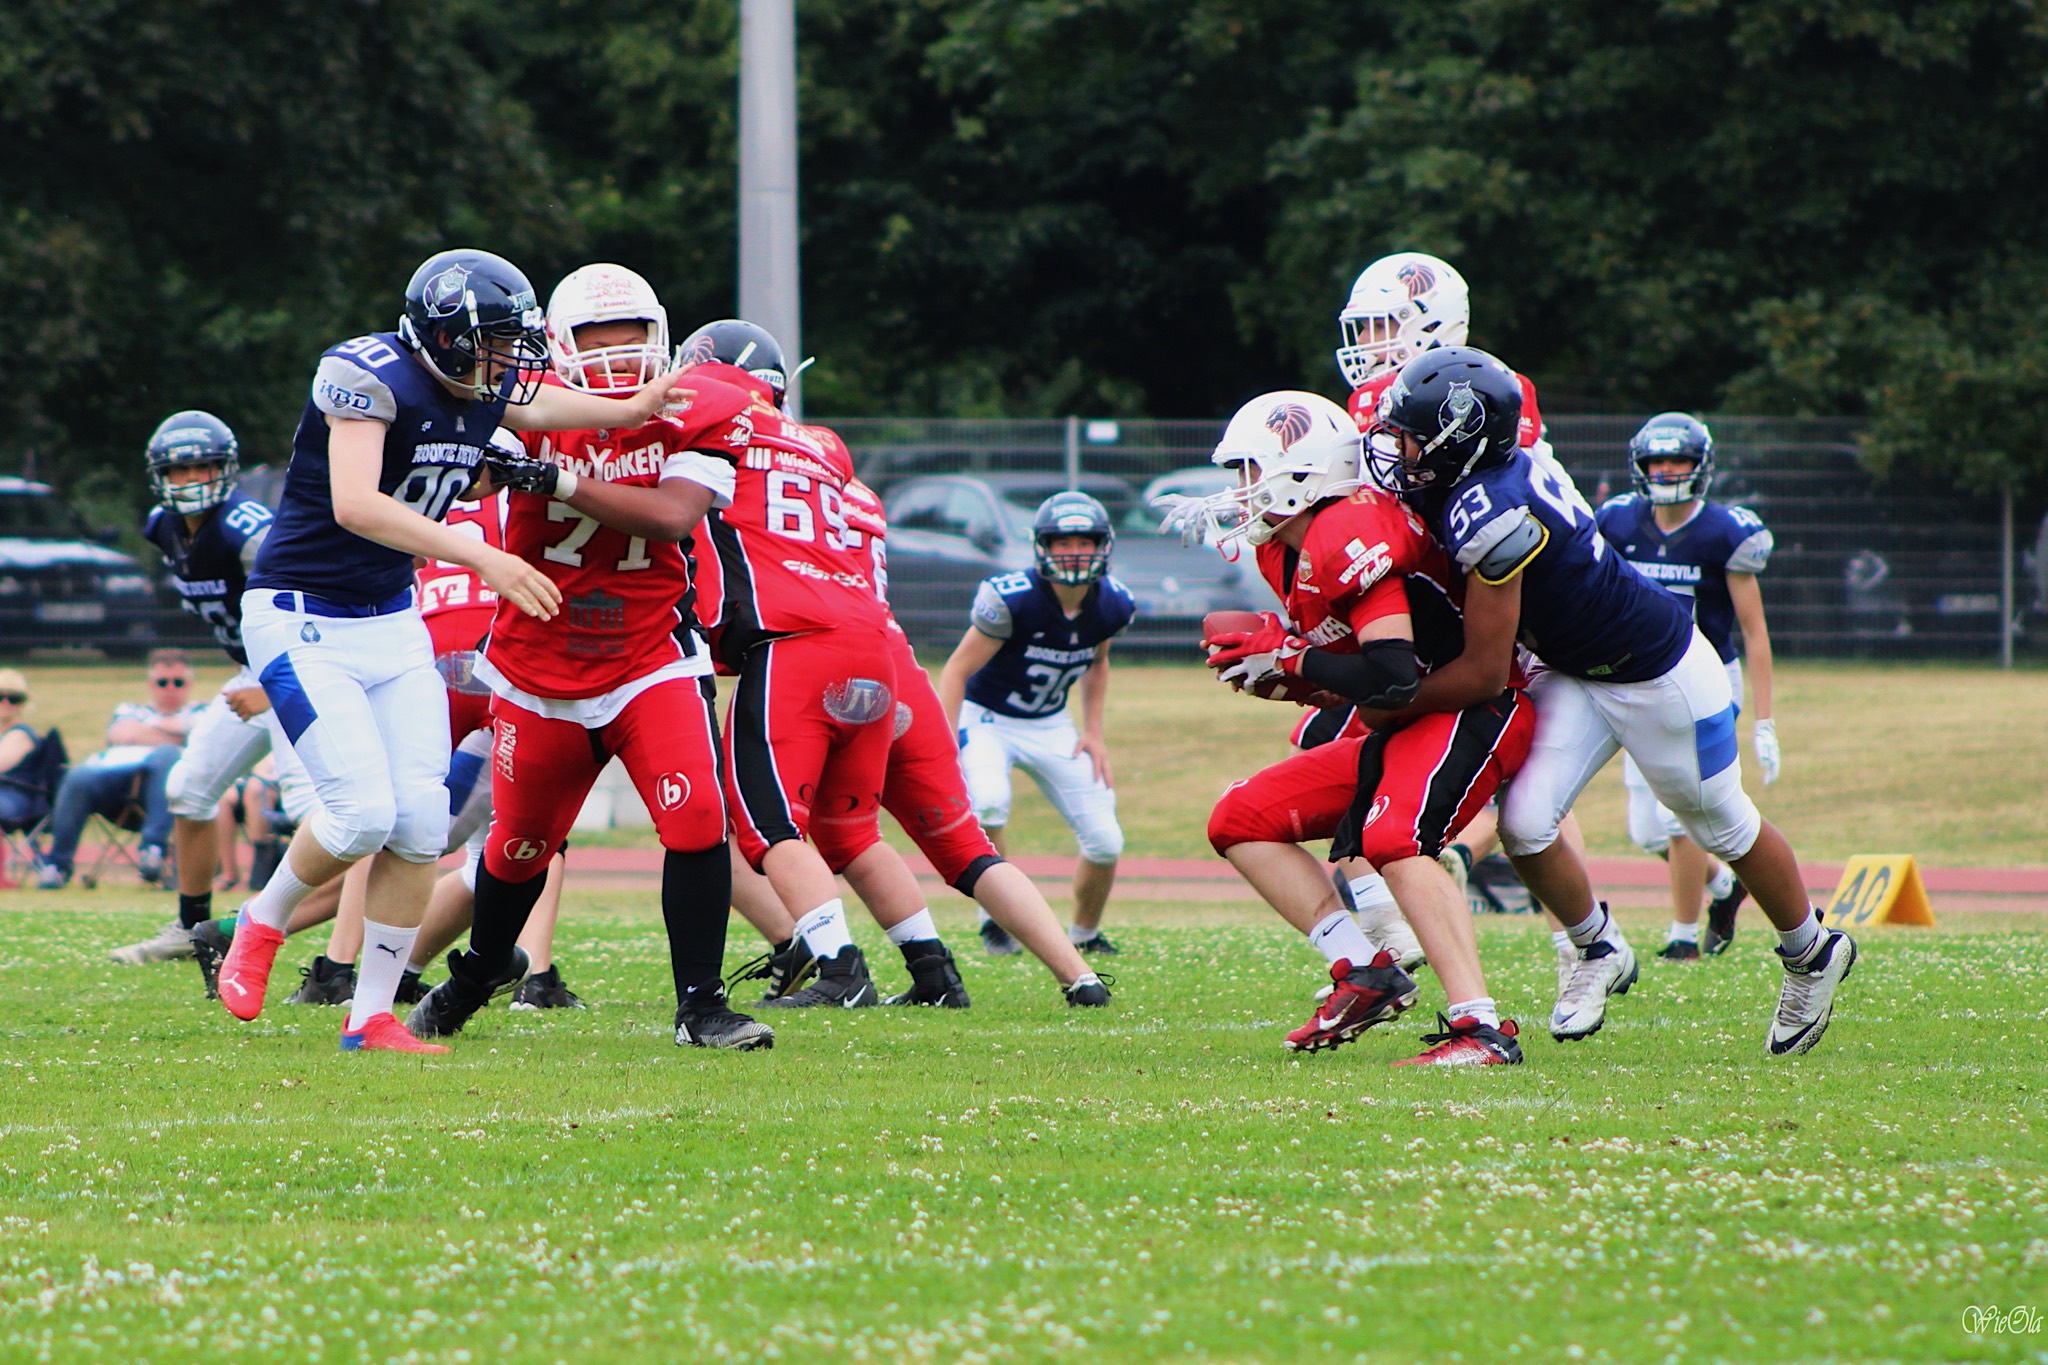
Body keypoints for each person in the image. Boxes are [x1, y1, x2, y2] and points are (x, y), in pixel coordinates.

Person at [211, 246, 686, 1055]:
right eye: (495, 345)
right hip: (302, 614)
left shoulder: (484, 384)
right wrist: (483, 556)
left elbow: (536, 414)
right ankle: (263, 920)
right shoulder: (366, 376)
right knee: (363, 813)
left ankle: (371, 1017)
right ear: (447, 337)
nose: (508, 364)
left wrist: (631, 406)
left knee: (423, 820)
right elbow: (356, 504)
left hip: (390, 615)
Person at [1363, 346, 1856, 1056]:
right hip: (1579, 670)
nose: (1399, 449)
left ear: (1459, 434)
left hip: (1662, 672)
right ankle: (1596, 947)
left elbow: (1481, 670)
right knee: (1527, 824)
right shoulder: (1483, 478)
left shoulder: (1492, 510)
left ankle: (1812, 951)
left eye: (1411, 433)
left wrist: (1391, 696)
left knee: (1722, 824)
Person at [402, 265, 767, 1050]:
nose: (616, 355)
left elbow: (673, 516)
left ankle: (702, 1004)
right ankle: (478, 972)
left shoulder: (697, 408)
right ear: (559, 346)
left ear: (660, 335)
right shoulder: (518, 408)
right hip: (540, 664)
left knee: (700, 818)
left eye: (630, 336)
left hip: (649, 654)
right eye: (597, 339)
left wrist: (559, 477)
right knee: (516, 846)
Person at [1168, 392, 1534, 1064]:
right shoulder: (1282, 552)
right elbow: (1358, 677)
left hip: (1468, 709)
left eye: (1250, 470)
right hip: (1407, 721)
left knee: (1393, 837)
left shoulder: (1346, 530)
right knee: (1239, 817)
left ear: (1300, 472)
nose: (1239, 489)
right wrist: (1286, 676)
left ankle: (1480, 1027)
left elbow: (1392, 672)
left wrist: (1295, 659)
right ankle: (1365, 969)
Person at [721, 474, 1112, 1007]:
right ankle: (1055, 978)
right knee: (938, 844)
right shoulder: (852, 493)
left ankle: (821, 958)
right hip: (893, 664)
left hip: (815, 655)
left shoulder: (760, 481)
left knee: (752, 825)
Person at [687, 318, 906, 1010]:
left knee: (766, 821)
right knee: (849, 827)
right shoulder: (825, 443)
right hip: (869, 631)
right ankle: (931, 964)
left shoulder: (716, 412)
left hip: (796, 637)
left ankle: (840, 967)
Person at [1596, 413, 1774, 958]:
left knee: (1679, 817)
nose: (1667, 470)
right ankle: (1724, 884)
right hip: (1642, 677)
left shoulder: (1725, 531)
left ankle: (1682, 937)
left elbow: (1754, 632)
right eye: (1658, 460)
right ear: (1640, 466)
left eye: (1678, 460)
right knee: (1646, 830)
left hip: (1708, 679)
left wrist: (1764, 721)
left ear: (1701, 466)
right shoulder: (1618, 522)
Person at [107, 412, 280, 962]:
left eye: (203, 467)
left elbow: (306, 601)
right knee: (189, 789)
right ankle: (193, 929)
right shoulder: (162, 526)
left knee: (324, 815)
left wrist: (280, 686)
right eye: (179, 471)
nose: (192, 481)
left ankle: (329, 947)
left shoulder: (248, 530)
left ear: (225, 470)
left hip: (297, 669)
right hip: (250, 672)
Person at [936, 492, 1133, 956]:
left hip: (1050, 723)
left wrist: (1093, 732)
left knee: (1106, 841)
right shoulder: (1011, 599)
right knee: (988, 804)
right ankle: (996, 920)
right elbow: (955, 670)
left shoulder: (1114, 603)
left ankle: (1085, 934)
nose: (1074, 552)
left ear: (1103, 545)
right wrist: (946, 744)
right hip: (987, 719)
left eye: (1085, 541)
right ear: (1043, 547)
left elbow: (1097, 662)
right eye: (1062, 542)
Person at [38, 650, 201, 889]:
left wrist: (144, 732)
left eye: (178, 682)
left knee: (166, 756)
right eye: (162, 682)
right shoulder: (129, 708)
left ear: (189, 685)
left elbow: (199, 739)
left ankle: (153, 849)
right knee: (77, 775)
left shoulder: (201, 712)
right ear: (150, 684)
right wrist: (176, 732)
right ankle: (57, 865)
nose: (170, 689)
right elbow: (120, 734)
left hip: (165, 794)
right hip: (116, 785)